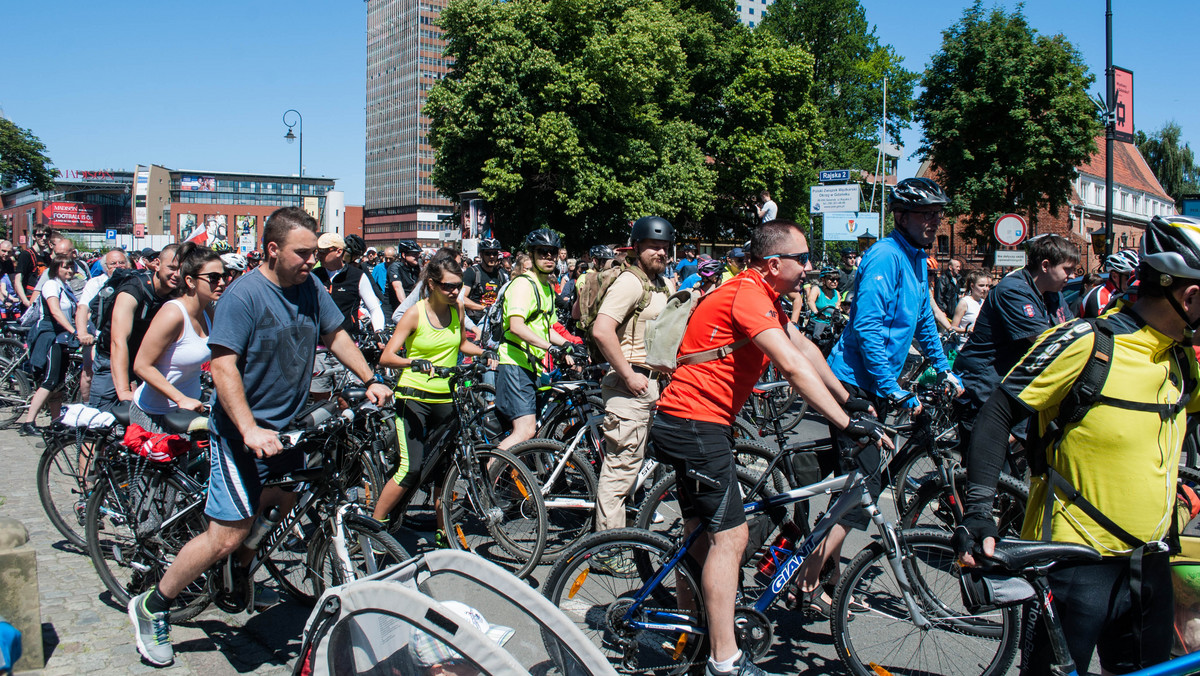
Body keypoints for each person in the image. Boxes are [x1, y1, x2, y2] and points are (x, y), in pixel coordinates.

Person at [128, 207, 392, 667]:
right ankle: (154, 605)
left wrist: (370, 378)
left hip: (287, 428)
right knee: (225, 535)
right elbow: (224, 365)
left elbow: (337, 334)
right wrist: (248, 428)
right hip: (240, 432)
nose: (312, 261)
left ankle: (243, 564)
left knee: (288, 497)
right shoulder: (244, 296)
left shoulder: (309, 287)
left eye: (315, 253)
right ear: (272, 249)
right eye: (303, 253)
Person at [955, 214, 1200, 674]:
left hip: (1149, 561)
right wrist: (978, 512)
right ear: (1189, 296)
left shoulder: (1181, 359)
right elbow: (997, 414)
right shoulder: (1087, 343)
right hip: (1073, 564)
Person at [650, 219, 889, 676]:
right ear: (774, 262)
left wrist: (847, 398)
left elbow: (806, 349)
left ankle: (693, 628)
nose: (809, 267)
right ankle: (726, 661)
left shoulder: (763, 294)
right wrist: (846, 425)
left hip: (695, 421)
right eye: (802, 259)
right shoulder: (748, 294)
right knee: (731, 538)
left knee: (700, 531)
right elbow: (792, 367)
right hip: (694, 423)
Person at [808, 178, 963, 615]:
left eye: (937, 214)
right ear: (902, 216)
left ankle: (828, 576)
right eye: (925, 214)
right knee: (861, 490)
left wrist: (945, 369)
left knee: (858, 490)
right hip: (854, 384)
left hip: (876, 385)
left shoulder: (916, 260)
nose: (933, 222)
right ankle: (807, 578)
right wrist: (891, 389)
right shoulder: (885, 256)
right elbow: (867, 329)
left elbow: (922, 322)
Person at [371, 254, 483, 545]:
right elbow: (387, 357)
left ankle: (443, 531)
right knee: (411, 469)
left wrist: (488, 354)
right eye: (448, 286)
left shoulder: (456, 308)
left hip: (446, 398)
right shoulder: (415, 313)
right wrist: (413, 362)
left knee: (444, 471)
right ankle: (373, 528)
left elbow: (461, 345)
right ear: (432, 284)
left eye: (458, 286)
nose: (455, 292)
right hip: (414, 397)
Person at [953, 234, 1078, 452]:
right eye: (1067, 269)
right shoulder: (1013, 290)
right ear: (1046, 266)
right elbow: (1047, 341)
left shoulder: (1052, 293)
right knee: (987, 468)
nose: (1073, 275)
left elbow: (1069, 330)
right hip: (984, 385)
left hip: (1011, 386)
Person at [591, 217, 675, 537]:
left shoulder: (663, 284)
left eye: (665, 246)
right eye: (653, 245)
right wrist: (628, 375)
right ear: (637, 246)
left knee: (636, 463)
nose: (660, 252)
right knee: (621, 471)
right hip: (630, 386)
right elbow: (602, 330)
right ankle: (608, 546)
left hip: (653, 385)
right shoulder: (631, 282)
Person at [495, 229, 577, 452]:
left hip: (532, 365)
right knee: (525, 431)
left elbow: (546, 329)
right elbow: (516, 326)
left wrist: (569, 345)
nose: (549, 257)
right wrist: (551, 348)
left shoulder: (546, 288)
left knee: (531, 431)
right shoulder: (523, 285)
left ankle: (509, 481)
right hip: (515, 362)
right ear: (531, 255)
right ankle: (489, 476)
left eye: (552, 252)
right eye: (543, 252)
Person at [130, 244, 223, 433]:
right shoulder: (173, 314)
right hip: (156, 414)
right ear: (190, 281)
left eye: (224, 276)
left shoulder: (208, 311)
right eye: (214, 278)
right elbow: (141, 365)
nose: (222, 282)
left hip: (189, 412)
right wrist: (181, 399)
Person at [90, 245, 181, 412]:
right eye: (172, 268)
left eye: (182, 269)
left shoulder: (176, 292)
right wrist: (123, 391)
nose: (177, 274)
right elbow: (118, 341)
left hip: (143, 360)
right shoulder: (134, 288)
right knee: (100, 419)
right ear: (157, 264)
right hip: (111, 358)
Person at [310, 232, 386, 398]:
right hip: (318, 348)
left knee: (346, 398)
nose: (319, 255)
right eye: (318, 251)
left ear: (338, 252)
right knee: (319, 400)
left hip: (348, 346)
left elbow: (374, 307)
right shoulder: (313, 276)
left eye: (323, 251)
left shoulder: (356, 276)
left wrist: (379, 332)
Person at [16, 255, 79, 436]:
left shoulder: (65, 287)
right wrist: (74, 331)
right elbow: (56, 312)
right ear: (56, 268)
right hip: (50, 336)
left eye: (71, 267)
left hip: (62, 338)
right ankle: (28, 422)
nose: (69, 271)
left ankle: (55, 422)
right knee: (49, 381)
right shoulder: (52, 285)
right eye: (65, 267)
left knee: (58, 384)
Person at [76, 249, 130, 403]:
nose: (118, 266)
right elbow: (82, 308)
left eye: (121, 262)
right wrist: (82, 333)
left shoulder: (132, 280)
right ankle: (88, 408)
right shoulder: (96, 283)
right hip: (98, 336)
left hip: (124, 337)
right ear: (106, 267)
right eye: (113, 264)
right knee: (89, 371)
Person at [461, 238, 508, 327]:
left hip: (495, 322)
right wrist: (484, 308)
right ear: (481, 255)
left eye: (494, 253)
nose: (491, 256)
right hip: (475, 323)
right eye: (488, 253)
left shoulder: (501, 274)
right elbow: (461, 298)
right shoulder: (472, 272)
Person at [1081, 249, 1139, 318]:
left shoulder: (1118, 293)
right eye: (1128, 277)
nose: (1132, 282)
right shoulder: (1100, 296)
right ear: (1114, 276)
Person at [948, 269, 991, 350]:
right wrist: (966, 330)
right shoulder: (965, 302)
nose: (985, 289)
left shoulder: (985, 302)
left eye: (987, 285)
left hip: (982, 346)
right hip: (965, 347)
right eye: (981, 285)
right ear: (972, 286)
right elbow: (953, 327)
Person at [14, 228, 52, 308]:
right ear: (34, 237)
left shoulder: (47, 256)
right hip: (30, 298)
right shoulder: (26, 255)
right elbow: (17, 281)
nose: (44, 238)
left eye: (47, 235)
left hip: (44, 298)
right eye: (40, 235)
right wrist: (25, 301)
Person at [387, 240, 423, 310]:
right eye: (414, 254)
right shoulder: (395, 267)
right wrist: (407, 309)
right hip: (394, 308)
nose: (417, 256)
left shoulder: (416, 268)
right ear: (403, 255)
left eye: (418, 254)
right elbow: (398, 288)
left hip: (412, 306)